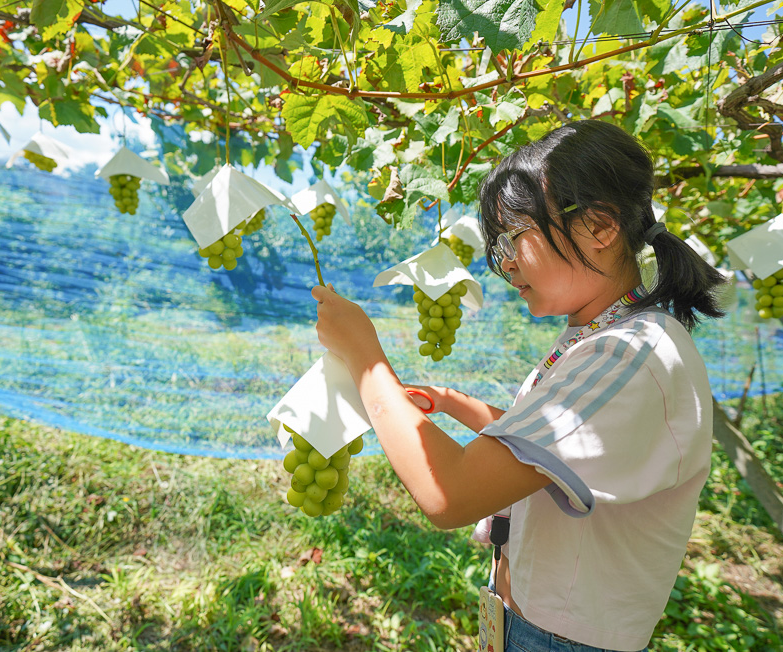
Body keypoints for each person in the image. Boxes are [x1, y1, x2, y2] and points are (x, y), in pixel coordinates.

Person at [311, 119, 727, 652]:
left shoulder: (629, 357)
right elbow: (546, 451)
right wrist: (455, 405)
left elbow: (449, 495)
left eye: (513, 237)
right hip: (529, 623)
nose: (504, 262)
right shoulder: (603, 336)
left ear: (599, 227)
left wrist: (365, 357)